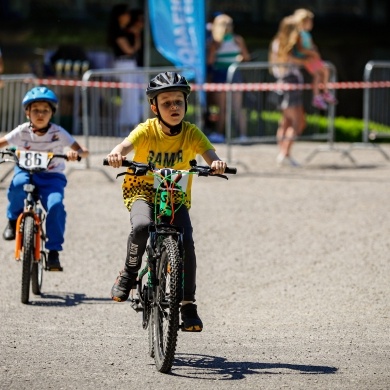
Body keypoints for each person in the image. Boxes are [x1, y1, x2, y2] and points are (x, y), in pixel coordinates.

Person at [105, 71, 227, 332]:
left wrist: (215, 163)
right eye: (166, 102)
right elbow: (126, 145)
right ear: (154, 107)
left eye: (178, 102)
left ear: (186, 104)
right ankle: (128, 273)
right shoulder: (146, 130)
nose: (174, 107)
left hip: (174, 194)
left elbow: (209, 153)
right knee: (141, 227)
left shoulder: (192, 133)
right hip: (142, 188)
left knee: (186, 243)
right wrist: (116, 153)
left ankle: (187, 304)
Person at [0, 87, 89, 270]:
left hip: (51, 177)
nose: (40, 114)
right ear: (27, 113)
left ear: (52, 113)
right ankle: (11, 219)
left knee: (56, 205)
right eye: (35, 110)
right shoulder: (22, 131)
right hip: (26, 171)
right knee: (17, 184)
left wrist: (77, 154)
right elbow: (3, 141)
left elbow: (81, 150)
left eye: (45, 111)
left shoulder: (58, 132)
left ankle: (54, 251)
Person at [269, 15, 307, 167]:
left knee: (286, 121)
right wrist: (309, 60)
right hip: (290, 83)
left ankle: (283, 153)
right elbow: (292, 60)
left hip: (282, 82)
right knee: (298, 122)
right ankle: (285, 153)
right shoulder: (288, 43)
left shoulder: (276, 42)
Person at [207, 14, 251, 143]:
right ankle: (241, 135)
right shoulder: (234, 40)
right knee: (234, 108)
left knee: (225, 108)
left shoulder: (218, 42)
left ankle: (223, 134)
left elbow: (210, 61)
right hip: (230, 74)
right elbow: (246, 57)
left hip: (225, 74)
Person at [107, 4, 143, 134]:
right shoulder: (117, 32)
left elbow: (135, 49)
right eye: (126, 14)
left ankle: (129, 124)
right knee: (128, 95)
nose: (128, 17)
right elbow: (129, 50)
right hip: (123, 64)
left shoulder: (127, 31)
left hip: (130, 64)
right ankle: (127, 124)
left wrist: (136, 33)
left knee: (132, 95)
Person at [292, 8, 337, 110]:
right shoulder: (299, 34)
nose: (312, 23)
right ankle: (316, 96)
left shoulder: (307, 34)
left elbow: (312, 46)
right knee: (317, 74)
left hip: (312, 58)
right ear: (303, 21)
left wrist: (315, 52)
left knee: (325, 70)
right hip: (306, 58)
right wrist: (312, 53)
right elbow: (300, 49)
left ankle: (325, 92)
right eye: (309, 21)